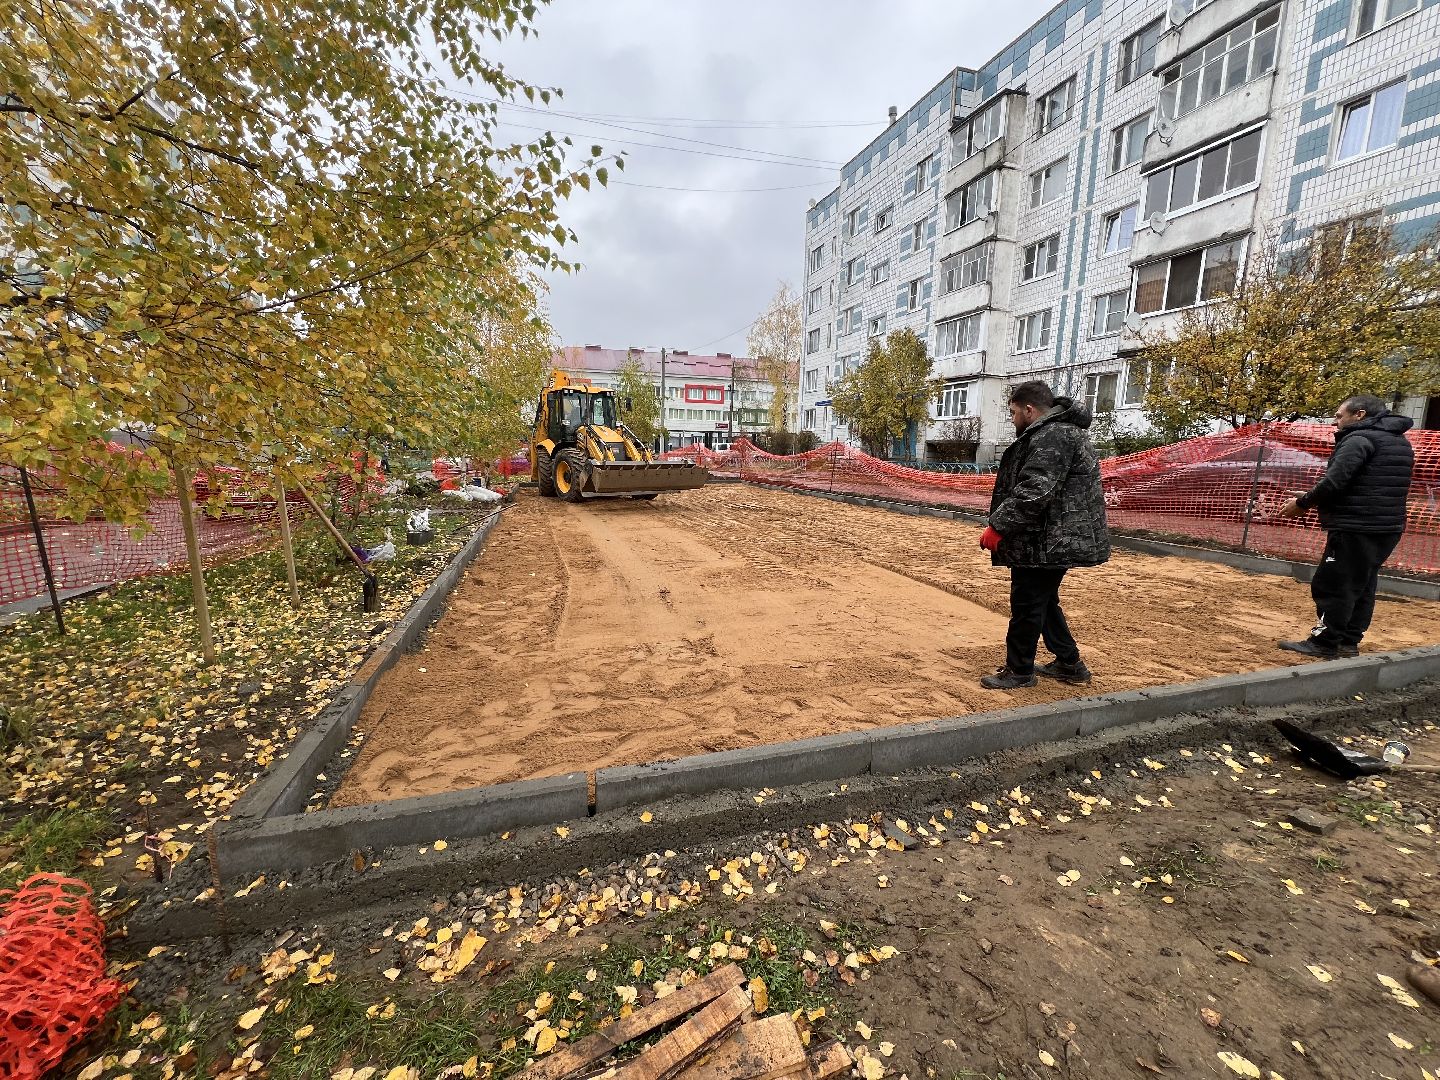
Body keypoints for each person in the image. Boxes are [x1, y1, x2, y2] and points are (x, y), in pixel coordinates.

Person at [978, 381, 1110, 690]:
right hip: (1052, 537)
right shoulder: (1058, 431)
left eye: (1013, 413)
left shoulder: (1054, 434)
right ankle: (1069, 663)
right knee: (1044, 601)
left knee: (1027, 603)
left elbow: (1037, 488)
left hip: (1050, 540)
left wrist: (999, 526)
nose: (1012, 419)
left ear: (1029, 409)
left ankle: (1019, 671)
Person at [1275, 394, 1414, 659]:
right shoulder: (1398, 441)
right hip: (1386, 526)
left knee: (1334, 583)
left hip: (1356, 525)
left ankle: (1325, 642)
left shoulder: (1359, 439)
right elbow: (1369, 484)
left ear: (1359, 415)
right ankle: (1348, 641)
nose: (1335, 421)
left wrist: (1302, 503)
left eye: (1339, 415)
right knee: (1362, 584)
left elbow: (1335, 482)